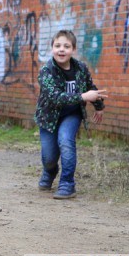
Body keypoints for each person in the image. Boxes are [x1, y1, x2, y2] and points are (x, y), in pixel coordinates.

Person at [34, 30, 107, 199]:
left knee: (66, 141)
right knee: (49, 156)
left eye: (66, 46)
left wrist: (99, 105)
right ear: (52, 48)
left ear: (73, 49)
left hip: (71, 114)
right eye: (57, 45)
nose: (61, 49)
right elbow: (55, 97)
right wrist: (83, 97)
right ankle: (50, 171)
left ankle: (67, 184)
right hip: (48, 117)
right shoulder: (46, 71)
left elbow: (90, 87)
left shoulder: (80, 68)